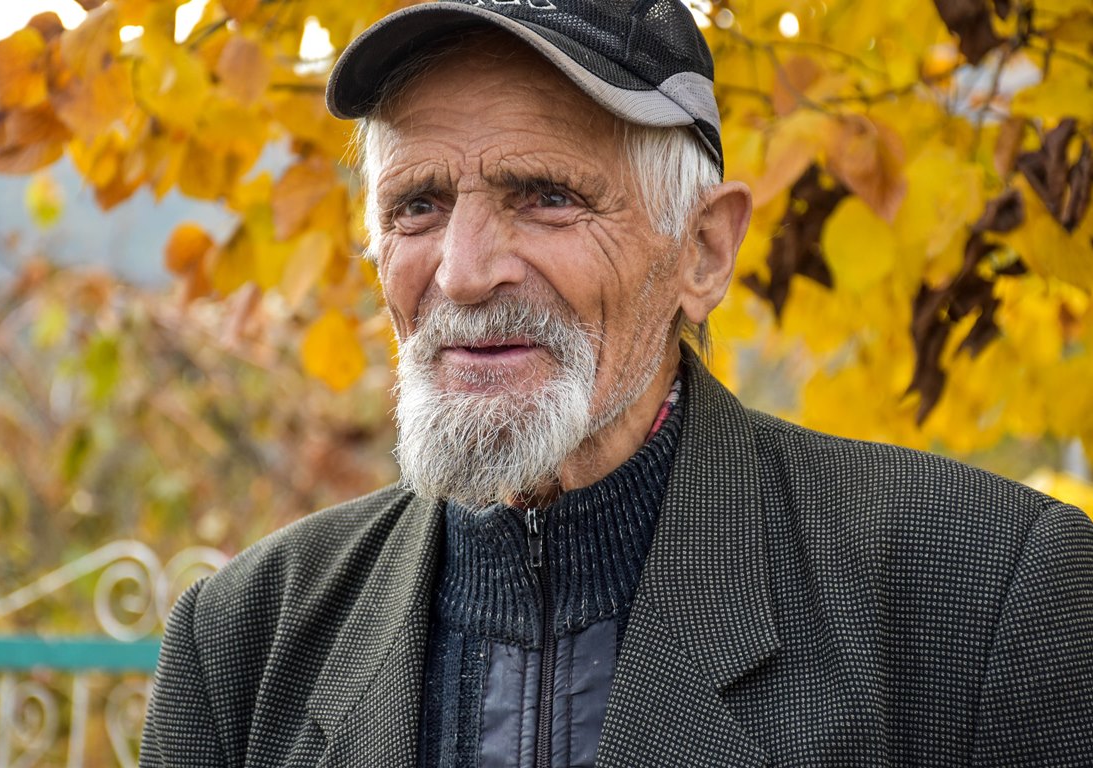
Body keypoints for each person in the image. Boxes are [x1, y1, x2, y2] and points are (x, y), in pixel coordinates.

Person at [139, 1, 1093, 766]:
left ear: (703, 251)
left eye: (545, 197)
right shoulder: (242, 643)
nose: (463, 273)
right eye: (417, 206)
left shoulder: (981, 597)